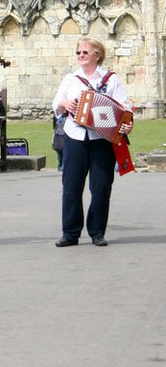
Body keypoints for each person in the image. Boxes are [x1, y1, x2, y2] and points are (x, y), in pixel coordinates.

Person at [52, 37, 133, 247]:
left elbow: (125, 109)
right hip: (75, 136)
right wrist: (65, 103)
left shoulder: (110, 79)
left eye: (85, 52)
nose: (80, 56)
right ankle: (70, 233)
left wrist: (127, 124)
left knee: (101, 186)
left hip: (102, 139)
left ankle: (97, 232)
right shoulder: (70, 79)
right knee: (71, 186)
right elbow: (56, 105)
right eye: (78, 52)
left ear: (97, 55)